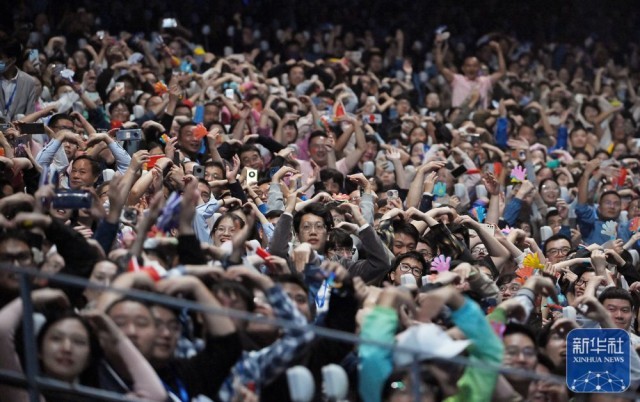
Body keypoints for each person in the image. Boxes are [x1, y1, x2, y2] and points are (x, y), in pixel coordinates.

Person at [0, 38, 37, 121]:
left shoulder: (28, 81)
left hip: (19, 128)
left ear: (12, 60)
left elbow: (30, 114)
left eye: (0, 57)